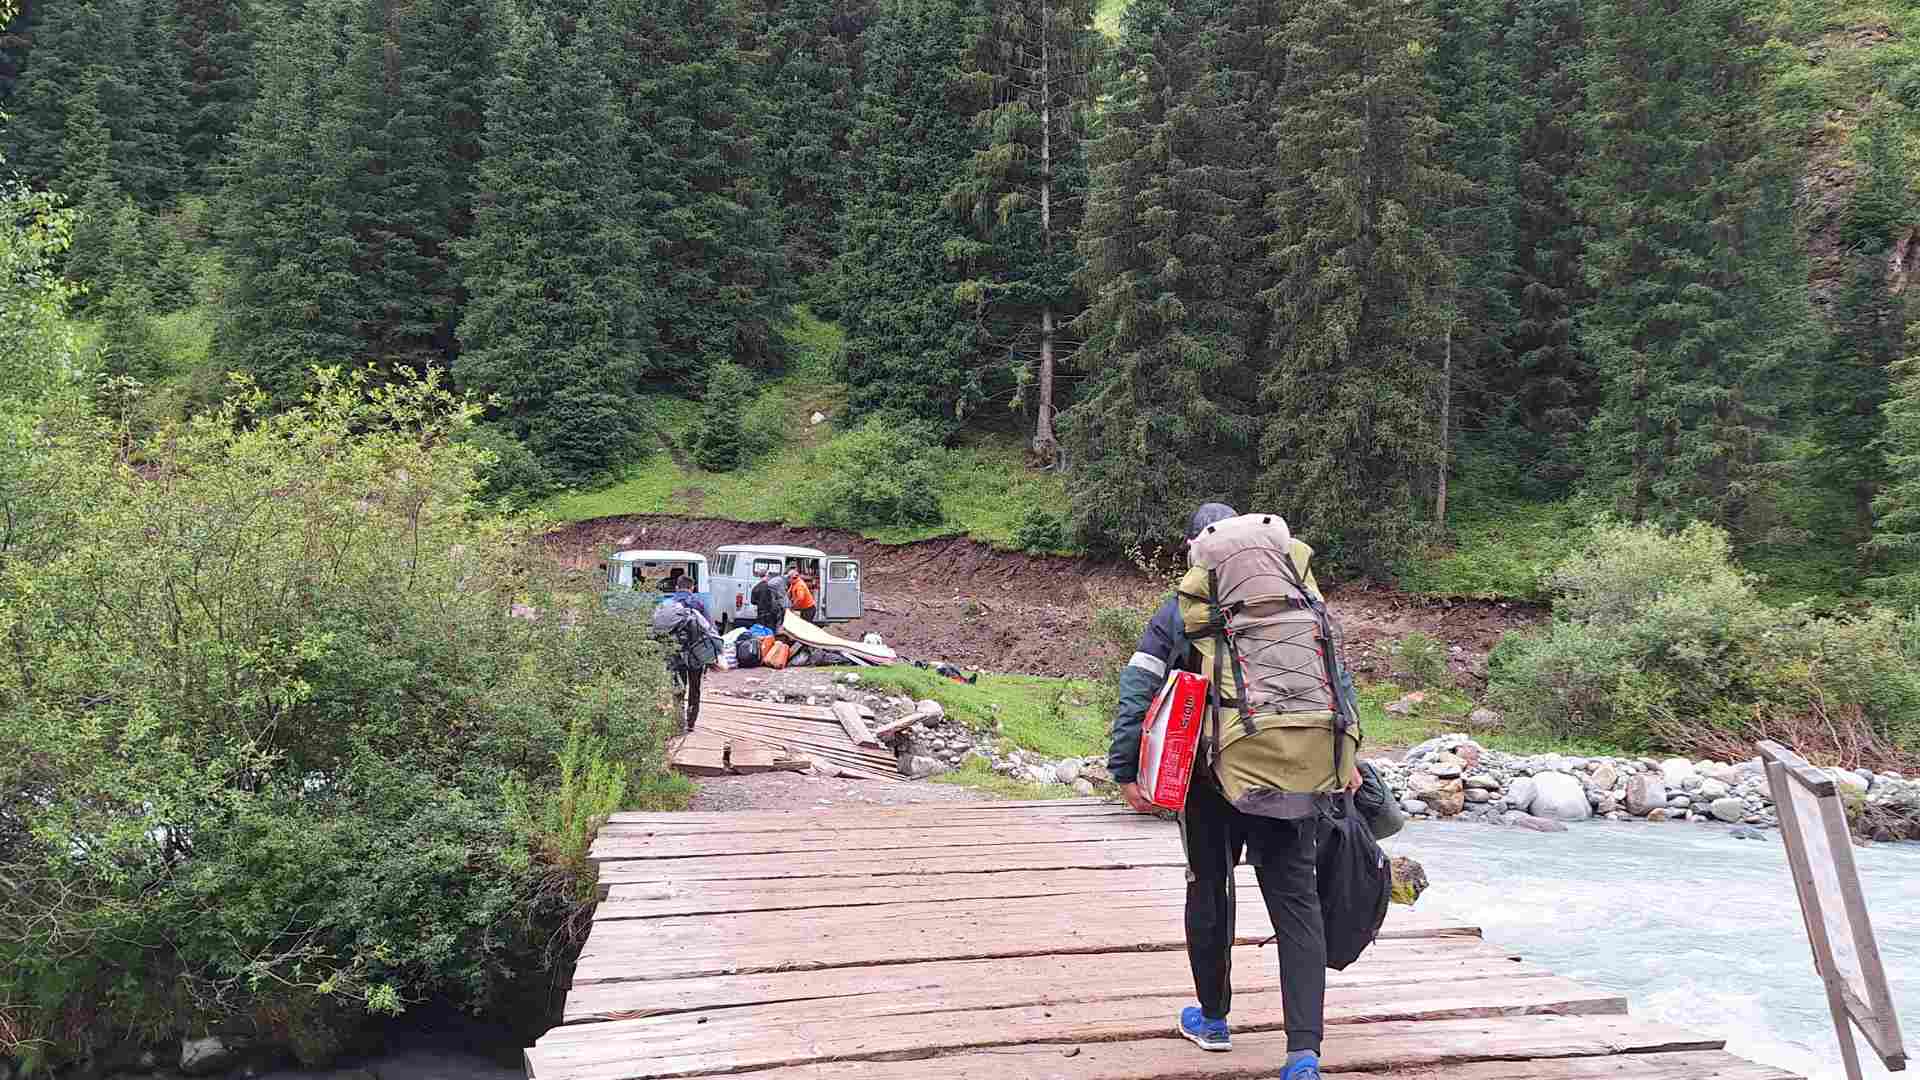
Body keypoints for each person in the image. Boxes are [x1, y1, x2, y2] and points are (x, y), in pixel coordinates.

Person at [1106, 502, 1331, 1080]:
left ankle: (1213, 1020)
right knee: (1297, 906)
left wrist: (1125, 769)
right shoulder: (1299, 600)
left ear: (1197, 549)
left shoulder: (1182, 610)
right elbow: (1337, 681)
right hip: (1297, 771)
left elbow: (1140, 688)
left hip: (1210, 782)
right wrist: (1347, 758)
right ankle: (1304, 1053)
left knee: (1211, 887)